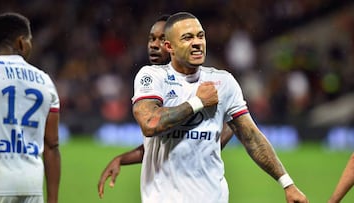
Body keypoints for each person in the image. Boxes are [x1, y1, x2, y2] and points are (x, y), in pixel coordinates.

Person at [131, 12, 309, 203]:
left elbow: (251, 136)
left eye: (201, 36)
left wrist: (287, 184)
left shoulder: (223, 82)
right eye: (187, 38)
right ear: (169, 46)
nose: (198, 43)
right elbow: (150, 123)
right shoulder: (153, 76)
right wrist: (197, 103)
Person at [97, 14, 235, 199]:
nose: (154, 45)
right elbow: (161, 142)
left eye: (162, 39)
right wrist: (122, 159)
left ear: (174, 43)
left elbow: (232, 121)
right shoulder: (153, 81)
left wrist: (206, 148)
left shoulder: (204, 84)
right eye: (151, 39)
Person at [0, 12, 60, 203]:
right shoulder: (45, 81)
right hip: (32, 185)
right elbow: (52, 145)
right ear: (21, 43)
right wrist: (53, 199)